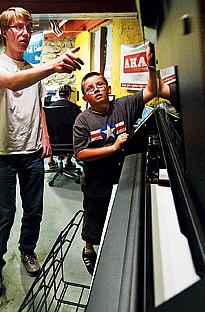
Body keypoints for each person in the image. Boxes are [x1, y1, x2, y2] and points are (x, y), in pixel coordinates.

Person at [0, 7, 83, 297]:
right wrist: (53, 66)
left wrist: (47, 136)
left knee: (34, 210)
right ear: (5, 33)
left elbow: (38, 105)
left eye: (27, 28)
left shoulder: (33, 69)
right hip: (4, 153)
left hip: (32, 151)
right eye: (17, 28)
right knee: (5, 214)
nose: (24, 33)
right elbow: (14, 83)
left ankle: (27, 250)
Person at [73, 42, 156, 275]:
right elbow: (81, 153)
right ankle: (88, 249)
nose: (97, 89)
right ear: (86, 96)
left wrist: (151, 66)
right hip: (97, 179)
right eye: (91, 88)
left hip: (124, 175)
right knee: (94, 216)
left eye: (100, 84)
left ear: (108, 86)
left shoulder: (124, 105)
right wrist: (113, 147)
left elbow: (151, 91)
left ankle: (116, 249)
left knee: (121, 213)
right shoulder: (83, 120)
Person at [46, 84, 81, 170]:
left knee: (52, 131)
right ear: (69, 94)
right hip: (70, 144)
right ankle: (68, 161)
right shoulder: (74, 108)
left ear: (59, 94)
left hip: (52, 144)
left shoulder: (48, 108)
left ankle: (51, 160)